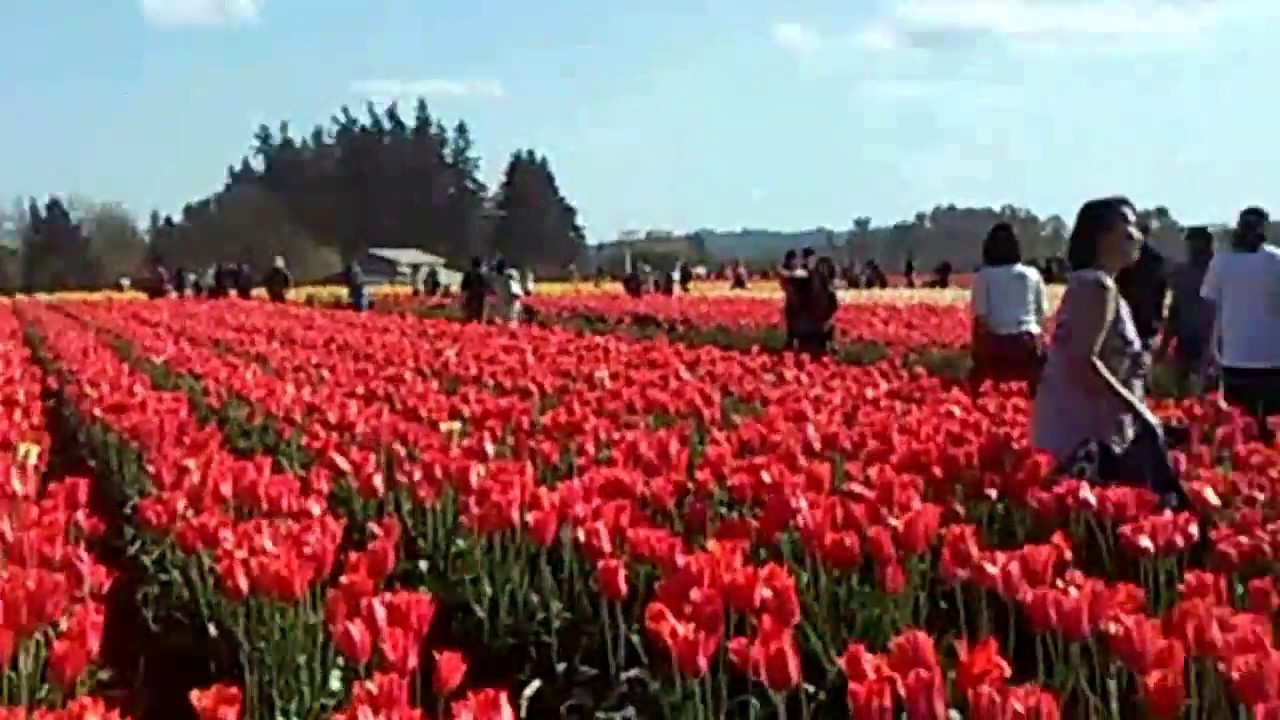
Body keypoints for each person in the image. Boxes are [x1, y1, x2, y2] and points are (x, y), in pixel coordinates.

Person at [1032, 197, 1182, 506]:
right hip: (1084, 433)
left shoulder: (1094, 284)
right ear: (1101, 236)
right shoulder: (1097, 288)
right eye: (1127, 226)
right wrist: (1140, 413)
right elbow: (1082, 361)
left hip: (1079, 426)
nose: (1136, 236)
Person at [1201, 206, 1280, 443]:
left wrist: (1210, 349)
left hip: (1236, 357)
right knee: (1269, 428)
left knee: (1240, 427)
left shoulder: (1222, 262)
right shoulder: (1275, 260)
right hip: (1271, 357)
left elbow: (1210, 306)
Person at [969, 223, 1048, 395]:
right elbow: (1042, 315)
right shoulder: (1032, 274)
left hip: (994, 345)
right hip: (1027, 344)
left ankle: (974, 393)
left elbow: (981, 317)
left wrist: (977, 351)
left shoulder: (984, 276)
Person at [1155, 227, 1216, 392]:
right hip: (1186, 340)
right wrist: (1164, 347)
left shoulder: (1219, 271)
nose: (1193, 247)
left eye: (1197, 243)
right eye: (1191, 243)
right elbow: (1175, 311)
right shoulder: (1182, 273)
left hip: (1212, 341)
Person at [460, 257, 488, 322]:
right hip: (478, 297)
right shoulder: (481, 275)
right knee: (477, 315)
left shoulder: (468, 274)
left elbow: (463, 287)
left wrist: (463, 297)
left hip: (470, 296)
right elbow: (484, 287)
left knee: (469, 315)